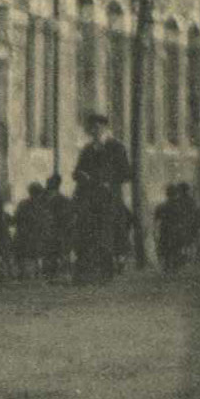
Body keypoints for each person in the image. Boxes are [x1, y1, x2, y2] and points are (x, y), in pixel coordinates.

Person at [73, 115, 131, 284]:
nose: (94, 132)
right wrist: (81, 175)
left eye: (97, 128)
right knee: (90, 235)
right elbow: (77, 171)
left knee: (107, 235)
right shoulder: (87, 149)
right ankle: (90, 273)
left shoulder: (116, 147)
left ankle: (107, 272)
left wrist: (109, 181)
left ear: (105, 129)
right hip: (90, 199)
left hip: (109, 198)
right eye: (92, 129)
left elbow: (126, 173)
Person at [40, 173, 73, 281]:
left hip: (56, 231)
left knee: (56, 253)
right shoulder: (63, 200)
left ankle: (55, 275)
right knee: (57, 253)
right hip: (57, 231)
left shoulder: (48, 199)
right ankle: (57, 275)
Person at [14, 181, 47, 281]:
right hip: (31, 242)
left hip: (25, 241)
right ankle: (33, 273)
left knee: (27, 263)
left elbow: (16, 219)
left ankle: (28, 273)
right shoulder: (41, 207)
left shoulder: (23, 204)